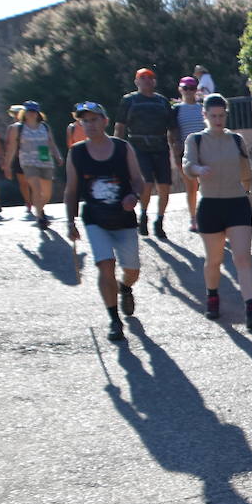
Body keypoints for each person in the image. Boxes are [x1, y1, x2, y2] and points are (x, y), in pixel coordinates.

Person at [183, 93, 252, 328]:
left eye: (221, 115)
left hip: (236, 203)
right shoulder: (196, 140)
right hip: (210, 204)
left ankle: (251, 307)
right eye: (213, 116)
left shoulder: (236, 139)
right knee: (214, 259)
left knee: (242, 257)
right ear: (205, 116)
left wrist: (247, 190)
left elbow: (246, 170)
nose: (218, 120)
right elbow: (187, 165)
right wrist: (198, 169)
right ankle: (212, 296)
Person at [63, 102, 144, 342]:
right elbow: (71, 190)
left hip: (124, 219)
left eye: (94, 119)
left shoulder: (122, 148)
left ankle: (126, 287)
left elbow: (138, 180)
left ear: (105, 121)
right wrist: (71, 222)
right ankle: (114, 320)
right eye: (85, 121)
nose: (90, 125)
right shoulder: (76, 153)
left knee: (132, 269)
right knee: (105, 265)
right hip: (95, 219)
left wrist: (134, 195)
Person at [114, 67, 175, 240]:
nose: (147, 81)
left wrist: (176, 150)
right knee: (146, 183)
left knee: (164, 186)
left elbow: (172, 128)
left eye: (150, 78)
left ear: (154, 81)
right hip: (138, 148)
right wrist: (117, 148)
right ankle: (143, 214)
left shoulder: (162, 102)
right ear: (136, 81)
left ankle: (160, 221)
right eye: (143, 78)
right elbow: (120, 126)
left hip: (161, 147)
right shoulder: (129, 101)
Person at [4, 101, 61, 230]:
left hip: (45, 159)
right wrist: (7, 165)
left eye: (34, 111)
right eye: (29, 111)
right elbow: (12, 147)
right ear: (24, 112)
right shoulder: (17, 128)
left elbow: (51, 143)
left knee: (47, 193)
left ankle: (40, 208)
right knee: (35, 188)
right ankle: (40, 217)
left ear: (38, 113)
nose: (31, 113)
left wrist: (57, 155)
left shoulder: (45, 127)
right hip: (28, 161)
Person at [173, 76, 207, 230]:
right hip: (187, 154)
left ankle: (207, 216)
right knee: (191, 187)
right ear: (180, 89)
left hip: (206, 151)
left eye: (192, 88)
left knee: (207, 186)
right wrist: (175, 154)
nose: (188, 91)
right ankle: (193, 218)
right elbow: (172, 133)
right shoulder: (176, 109)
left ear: (196, 90)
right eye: (185, 88)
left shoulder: (203, 107)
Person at [6, 106, 29, 215]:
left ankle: (38, 201)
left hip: (32, 157)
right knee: (23, 182)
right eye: (13, 113)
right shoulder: (12, 128)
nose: (15, 115)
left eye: (17, 113)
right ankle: (28, 202)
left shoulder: (32, 126)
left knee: (35, 181)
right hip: (18, 158)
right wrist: (7, 163)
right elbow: (9, 145)